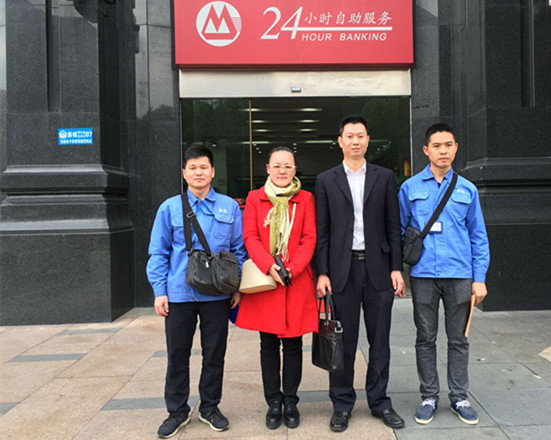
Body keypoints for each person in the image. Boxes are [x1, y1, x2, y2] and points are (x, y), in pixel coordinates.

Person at [147, 145, 246, 438]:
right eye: (193, 168)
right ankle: (177, 410)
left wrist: (237, 286)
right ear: (184, 173)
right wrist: (159, 290)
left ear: (213, 172)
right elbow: (158, 252)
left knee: (214, 354)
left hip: (217, 294)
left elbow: (239, 251)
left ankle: (210, 407)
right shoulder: (169, 208)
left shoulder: (229, 206)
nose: (198, 173)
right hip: (179, 294)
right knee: (177, 355)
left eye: (203, 167)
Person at [315, 115, 406, 432]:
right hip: (342, 271)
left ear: (368, 140)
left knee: (380, 340)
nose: (355, 141)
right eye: (350, 136)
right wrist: (322, 272)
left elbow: (394, 226)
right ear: (340, 141)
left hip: (378, 268)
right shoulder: (326, 180)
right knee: (342, 341)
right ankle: (342, 404)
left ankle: (380, 402)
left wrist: (396, 267)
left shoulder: (384, 177)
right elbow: (322, 231)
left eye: (361, 135)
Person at [398, 123, 489, 426]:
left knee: (458, 339)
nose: (443, 151)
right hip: (422, 274)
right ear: (426, 150)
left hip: (459, 275)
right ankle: (429, 396)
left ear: (456, 148)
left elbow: (478, 236)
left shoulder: (467, 189)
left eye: (448, 145)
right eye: (436, 146)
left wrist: (479, 278)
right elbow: (400, 232)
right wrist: (397, 271)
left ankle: (459, 396)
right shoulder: (410, 188)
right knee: (425, 338)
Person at [235, 147, 317, 430]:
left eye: (288, 166)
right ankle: (273, 402)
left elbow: (309, 238)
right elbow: (250, 236)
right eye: (277, 166)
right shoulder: (255, 198)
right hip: (266, 281)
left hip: (295, 281)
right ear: (268, 169)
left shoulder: (305, 198)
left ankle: (291, 401)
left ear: (295, 170)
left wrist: (292, 268)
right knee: (268, 345)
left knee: (294, 344)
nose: (283, 171)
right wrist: (270, 265)